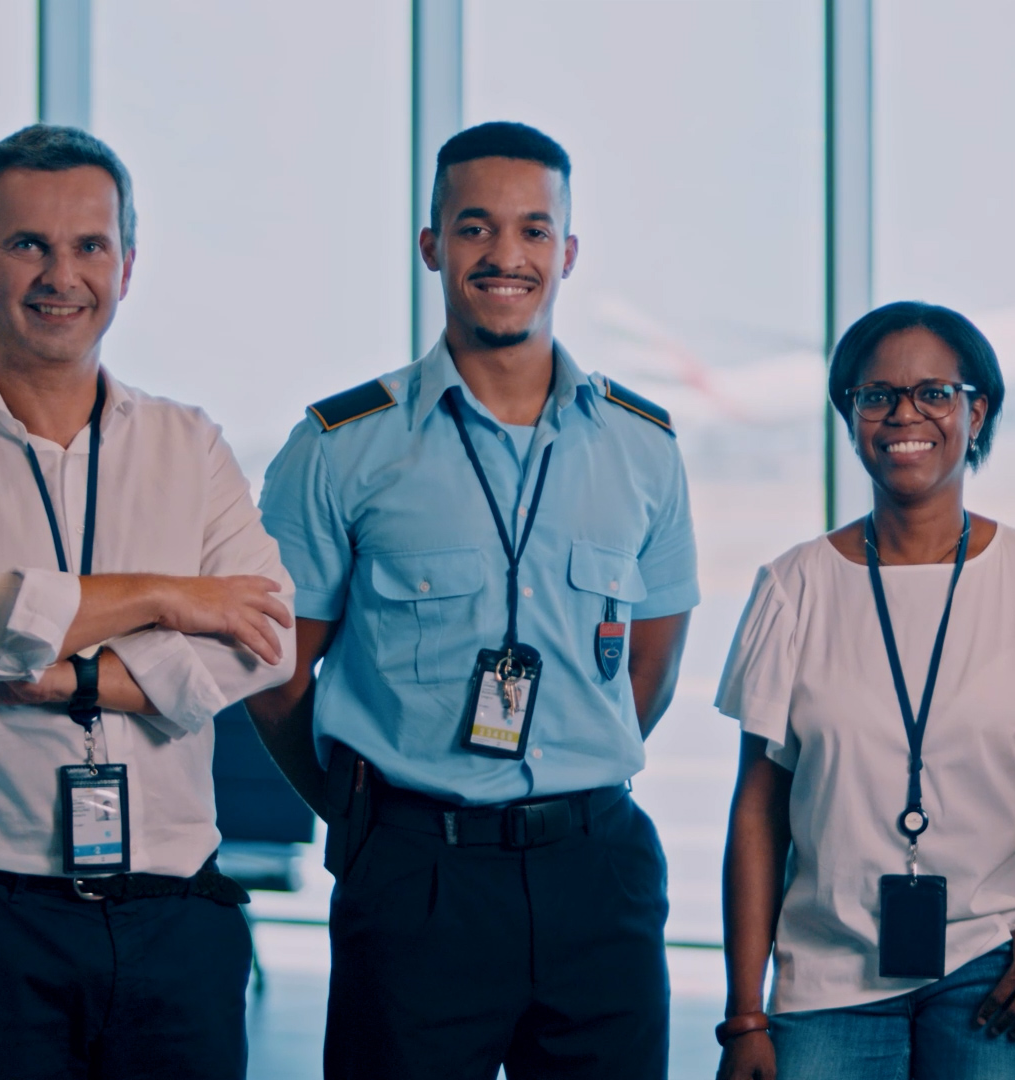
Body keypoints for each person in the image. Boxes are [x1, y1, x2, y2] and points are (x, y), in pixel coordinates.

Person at [0, 124, 297, 1078]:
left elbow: (263, 637)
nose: (62, 275)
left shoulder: (190, 445)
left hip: (173, 922)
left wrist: (72, 680)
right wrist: (166, 596)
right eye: (27, 245)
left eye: (90, 246)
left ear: (127, 267)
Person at [250, 121, 698, 1080]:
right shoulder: (341, 447)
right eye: (474, 228)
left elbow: (651, 666)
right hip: (418, 875)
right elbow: (276, 670)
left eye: (535, 231)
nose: (506, 255)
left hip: (598, 874)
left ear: (567, 254)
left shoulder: (643, 446)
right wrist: (357, 815)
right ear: (431, 247)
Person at [713, 301, 1015, 1080]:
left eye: (935, 393)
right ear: (850, 418)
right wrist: (745, 1013)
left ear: (978, 413)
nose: (904, 414)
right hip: (829, 972)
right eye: (876, 395)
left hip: (1003, 960)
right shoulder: (793, 587)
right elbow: (757, 807)